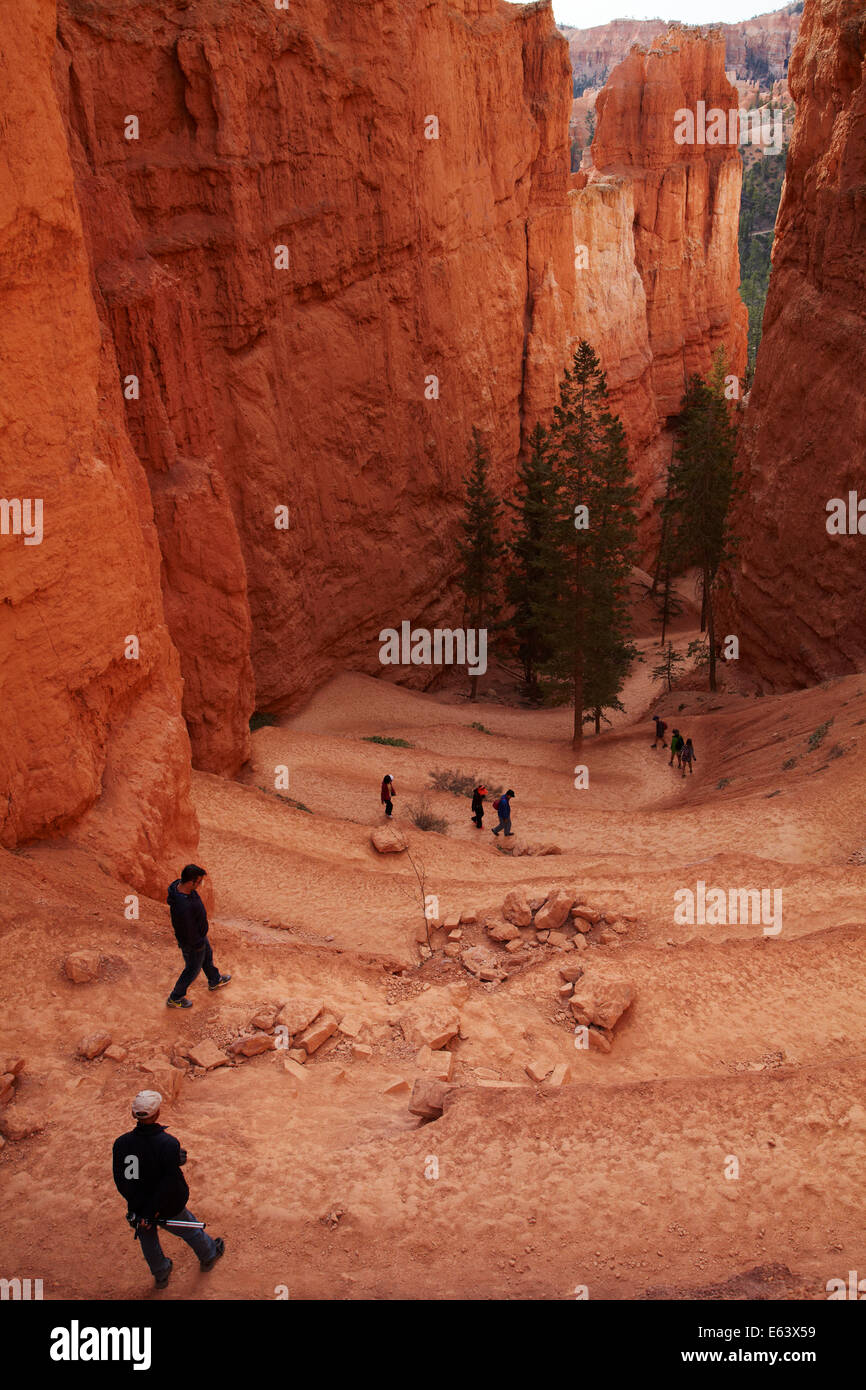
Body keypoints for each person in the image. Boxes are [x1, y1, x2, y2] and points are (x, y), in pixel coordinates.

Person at [113, 1089, 225, 1290]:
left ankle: (161, 1272)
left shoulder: (122, 1143)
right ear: (156, 1114)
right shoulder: (167, 1143)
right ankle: (209, 1254)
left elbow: (123, 1179)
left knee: (147, 1239)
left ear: (133, 1115)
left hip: (138, 1205)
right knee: (189, 1229)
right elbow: (168, 1182)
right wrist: (151, 1211)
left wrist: (137, 1208)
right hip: (165, 1205)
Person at [166, 864, 230, 1010]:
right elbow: (188, 930)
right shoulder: (183, 907)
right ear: (190, 882)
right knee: (192, 970)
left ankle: (214, 980)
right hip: (193, 942)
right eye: (198, 882)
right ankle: (175, 998)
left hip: (198, 937)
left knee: (207, 956)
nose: (200, 885)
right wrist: (197, 943)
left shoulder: (181, 887)